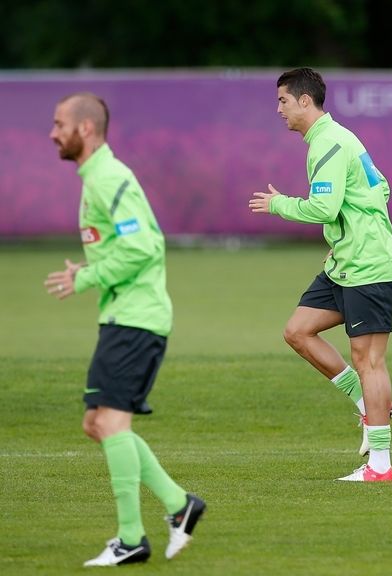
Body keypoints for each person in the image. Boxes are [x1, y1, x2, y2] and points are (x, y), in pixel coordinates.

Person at [45, 93, 205, 567]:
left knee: (111, 423)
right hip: (123, 317)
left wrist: (86, 277)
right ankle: (180, 505)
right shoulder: (95, 177)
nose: (52, 133)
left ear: (86, 129)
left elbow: (144, 247)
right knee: (96, 424)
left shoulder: (109, 177)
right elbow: (123, 246)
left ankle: (131, 538)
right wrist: (91, 270)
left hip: (137, 320)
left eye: (59, 124)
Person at [250, 67, 392, 482]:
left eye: (283, 100)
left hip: (367, 266)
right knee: (298, 330)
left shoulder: (331, 141)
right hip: (344, 264)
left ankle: (380, 466)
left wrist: (280, 204)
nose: (278, 109)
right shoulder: (335, 138)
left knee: (369, 360)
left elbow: (323, 208)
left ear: (304, 101)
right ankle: (366, 404)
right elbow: (382, 186)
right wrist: (359, 222)